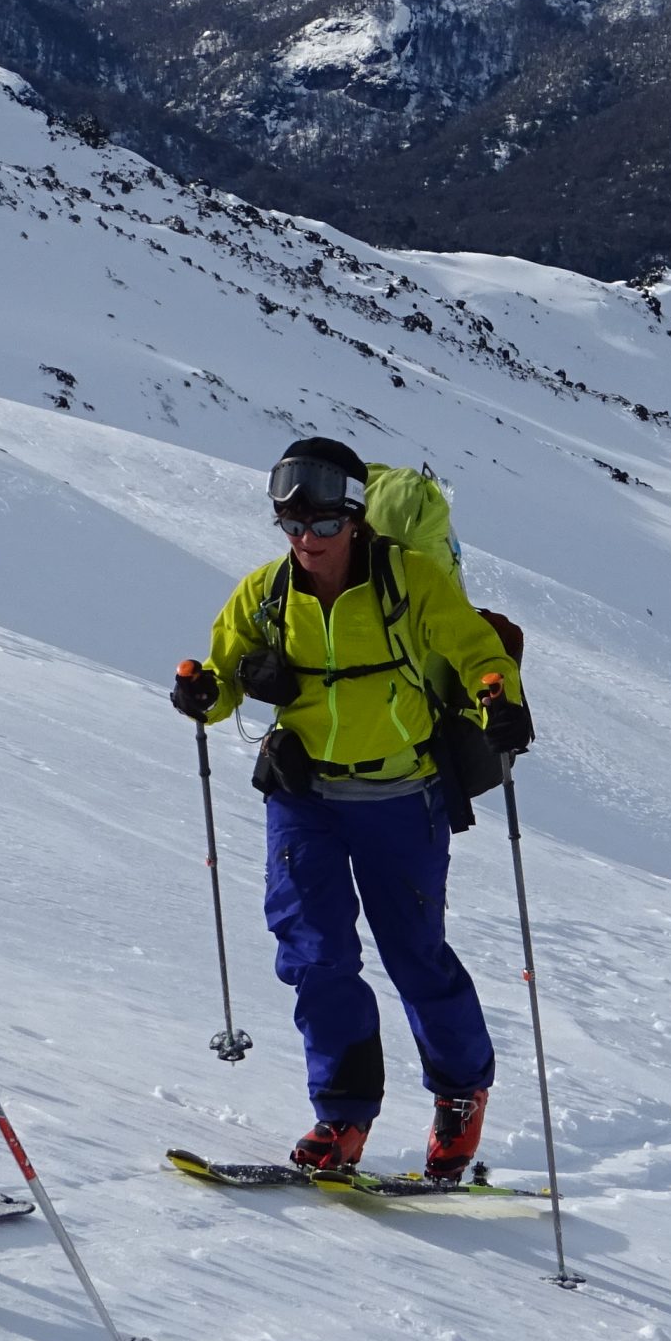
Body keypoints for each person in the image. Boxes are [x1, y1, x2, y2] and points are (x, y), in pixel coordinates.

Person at [171, 438, 533, 1180]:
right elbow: (225, 668)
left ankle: (460, 1095)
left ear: (358, 521)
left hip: (403, 796)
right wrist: (207, 689)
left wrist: (501, 697)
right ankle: (342, 1113)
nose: (308, 541)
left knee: (414, 954)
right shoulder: (265, 592)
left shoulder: (413, 582)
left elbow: (474, 653)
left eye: (325, 526)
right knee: (315, 954)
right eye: (294, 526)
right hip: (305, 799)